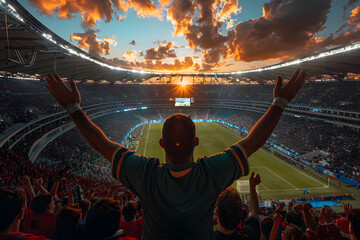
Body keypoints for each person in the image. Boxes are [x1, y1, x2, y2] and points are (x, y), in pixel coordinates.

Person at [45, 69, 306, 239]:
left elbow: (102, 144)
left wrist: (73, 107)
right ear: (196, 142)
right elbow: (251, 142)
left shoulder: (146, 174)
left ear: (161, 143)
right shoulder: (210, 174)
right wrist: (279, 103)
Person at [214, 172, 261, 240]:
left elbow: (254, 212)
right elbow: (253, 212)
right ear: (240, 216)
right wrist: (252, 186)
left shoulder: (204, 237)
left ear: (216, 212)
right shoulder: (250, 235)